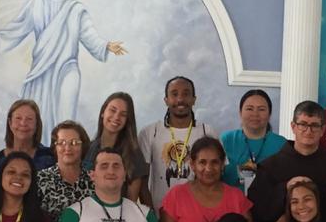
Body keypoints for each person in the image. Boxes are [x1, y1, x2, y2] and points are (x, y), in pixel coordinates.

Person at [0, 0, 126, 144]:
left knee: (65, 115)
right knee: (40, 116)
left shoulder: (76, 9)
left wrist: (106, 46)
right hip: (42, 69)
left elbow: (89, 35)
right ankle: (42, 155)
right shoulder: (36, 4)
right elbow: (19, 26)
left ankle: (64, 153)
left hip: (67, 68)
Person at [248, 102, 326, 222]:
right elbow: (256, 208)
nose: (308, 131)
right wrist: (285, 188)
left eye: (314, 125)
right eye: (303, 124)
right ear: (293, 127)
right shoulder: (270, 166)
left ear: (323, 130)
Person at [137, 76, 217, 210]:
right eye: (174, 94)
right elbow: (142, 183)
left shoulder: (207, 132)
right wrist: (151, 217)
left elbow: (217, 177)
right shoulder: (150, 132)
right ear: (166, 100)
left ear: (194, 99)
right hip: (160, 214)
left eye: (186, 94)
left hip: (198, 214)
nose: (180, 99)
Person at [84, 92, 148, 203]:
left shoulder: (133, 155)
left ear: (127, 120)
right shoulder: (87, 149)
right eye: (112, 110)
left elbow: (131, 203)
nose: (116, 117)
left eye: (123, 114)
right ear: (103, 112)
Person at [220, 89, 286, 193]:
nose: (255, 114)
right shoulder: (226, 140)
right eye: (249, 109)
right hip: (231, 200)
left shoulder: (281, 144)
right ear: (240, 112)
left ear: (269, 114)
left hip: (269, 200)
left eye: (261, 109)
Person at [37, 120, 95, 222]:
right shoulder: (40, 179)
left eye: (74, 143)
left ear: (83, 146)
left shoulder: (94, 181)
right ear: (55, 147)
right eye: (62, 143)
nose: (68, 148)